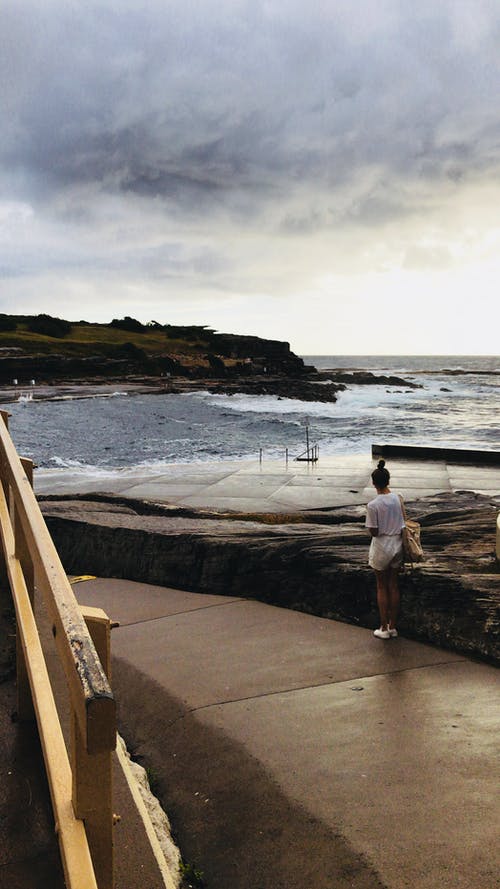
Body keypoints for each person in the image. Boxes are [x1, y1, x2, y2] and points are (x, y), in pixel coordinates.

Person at [365, 459, 405, 639]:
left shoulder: (373, 505)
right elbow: (404, 522)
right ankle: (393, 626)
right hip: (397, 544)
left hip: (382, 546)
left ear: (374, 483)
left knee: (381, 586)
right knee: (394, 585)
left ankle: (383, 627)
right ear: (388, 481)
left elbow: (374, 532)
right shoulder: (398, 498)